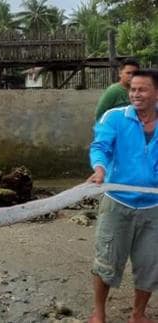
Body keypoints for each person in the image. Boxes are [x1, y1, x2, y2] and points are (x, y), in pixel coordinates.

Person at [88, 69, 158, 323]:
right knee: (106, 260)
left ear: (156, 93)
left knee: (151, 263)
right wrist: (100, 169)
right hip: (118, 201)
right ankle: (99, 312)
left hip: (154, 207)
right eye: (133, 89)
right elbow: (100, 146)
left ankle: (138, 314)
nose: (135, 94)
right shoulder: (115, 117)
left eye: (142, 89)